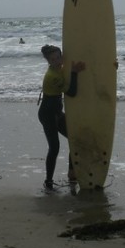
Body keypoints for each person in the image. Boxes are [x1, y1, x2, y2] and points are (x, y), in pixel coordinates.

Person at [38, 44, 85, 190]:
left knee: (75, 138)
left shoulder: (59, 69)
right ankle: (48, 181)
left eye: (59, 57)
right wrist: (74, 72)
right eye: (53, 59)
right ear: (48, 61)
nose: (57, 61)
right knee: (54, 148)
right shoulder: (52, 76)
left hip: (56, 113)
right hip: (47, 114)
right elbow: (71, 92)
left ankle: (72, 172)